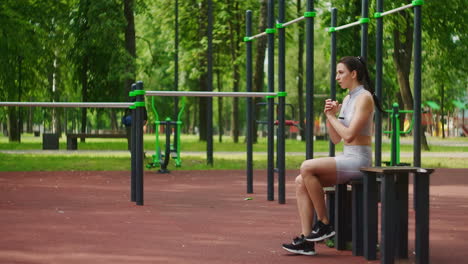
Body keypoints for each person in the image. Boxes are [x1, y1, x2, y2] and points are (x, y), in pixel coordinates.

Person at [282, 56, 382, 256]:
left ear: (354, 74)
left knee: (307, 166)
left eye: (341, 72)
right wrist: (330, 116)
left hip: (359, 160)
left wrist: (331, 117)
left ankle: (325, 223)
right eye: (337, 73)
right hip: (347, 156)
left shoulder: (365, 98)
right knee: (301, 180)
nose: (337, 77)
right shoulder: (347, 98)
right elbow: (337, 139)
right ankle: (307, 239)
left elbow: (349, 134)